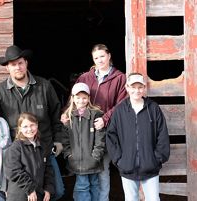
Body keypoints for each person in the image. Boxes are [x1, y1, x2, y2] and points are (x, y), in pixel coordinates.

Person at [0, 45, 65, 200]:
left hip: (43, 148)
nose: (17, 67)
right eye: (13, 64)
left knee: (56, 191)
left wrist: (58, 140)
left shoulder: (44, 86)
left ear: (26, 63)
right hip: (16, 153)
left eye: (20, 63)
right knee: (21, 195)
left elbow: (56, 115)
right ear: (7, 68)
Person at [62, 44, 128, 201]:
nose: (99, 60)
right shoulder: (85, 78)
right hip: (82, 132)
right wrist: (65, 114)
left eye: (102, 56)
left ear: (109, 56)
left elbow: (122, 103)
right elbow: (74, 97)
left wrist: (105, 119)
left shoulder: (119, 78)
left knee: (102, 171)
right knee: (84, 176)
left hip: (103, 131)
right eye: (96, 57)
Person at [106, 73, 170, 201]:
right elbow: (111, 136)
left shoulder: (153, 108)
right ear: (127, 87)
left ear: (144, 87)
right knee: (131, 199)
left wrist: (157, 158)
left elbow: (162, 134)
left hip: (150, 167)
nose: (136, 90)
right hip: (127, 167)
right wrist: (118, 159)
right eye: (133, 87)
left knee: (153, 199)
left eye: (140, 87)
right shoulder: (120, 110)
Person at [61, 83, 106, 201]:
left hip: (93, 160)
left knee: (95, 185)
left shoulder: (96, 114)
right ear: (73, 98)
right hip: (77, 160)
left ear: (89, 98)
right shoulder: (68, 116)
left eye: (84, 97)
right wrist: (69, 154)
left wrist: (96, 156)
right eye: (78, 97)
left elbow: (100, 138)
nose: (81, 100)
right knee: (82, 186)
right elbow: (65, 139)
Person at [4, 112, 54, 201]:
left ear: (37, 125)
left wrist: (48, 188)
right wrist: (30, 189)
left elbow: (48, 170)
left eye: (32, 125)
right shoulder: (16, 147)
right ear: (20, 129)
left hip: (37, 195)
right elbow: (13, 171)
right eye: (25, 126)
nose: (29, 129)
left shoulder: (42, 146)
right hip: (20, 195)